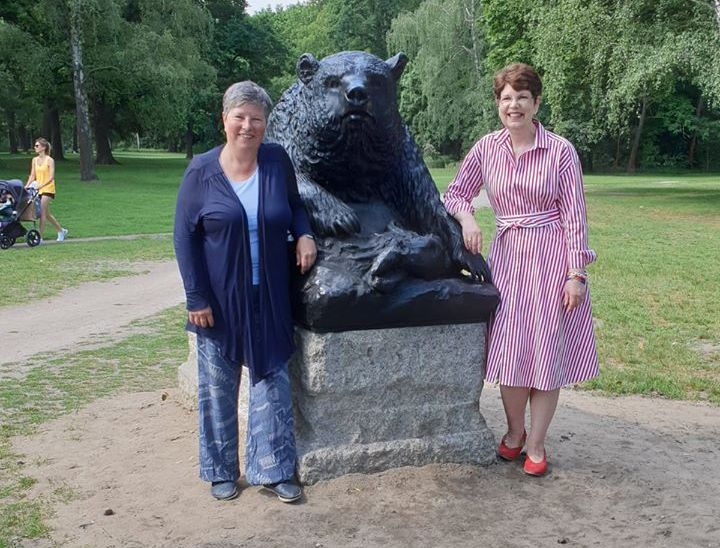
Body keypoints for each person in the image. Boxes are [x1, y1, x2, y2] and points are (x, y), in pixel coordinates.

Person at [444, 63, 598, 477]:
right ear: (498, 104)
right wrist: (469, 219)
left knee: (546, 353)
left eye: (522, 98)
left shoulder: (561, 151)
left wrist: (576, 274)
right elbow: (455, 192)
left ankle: (536, 442)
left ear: (536, 103)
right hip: (509, 258)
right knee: (512, 351)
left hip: (552, 259)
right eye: (506, 98)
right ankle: (514, 434)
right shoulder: (487, 148)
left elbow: (574, 217)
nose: (513, 105)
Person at [174, 81, 317, 502]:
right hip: (217, 302)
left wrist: (305, 234)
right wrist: (196, 297)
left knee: (270, 383)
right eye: (240, 116)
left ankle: (273, 470)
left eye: (256, 118)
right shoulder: (201, 171)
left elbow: (294, 205)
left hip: (269, 294)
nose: (248, 126)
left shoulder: (275, 161)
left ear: (265, 124)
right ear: (225, 119)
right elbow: (184, 237)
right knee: (217, 388)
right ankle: (221, 470)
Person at [25, 137, 68, 243]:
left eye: (37, 146)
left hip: (48, 188)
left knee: (43, 213)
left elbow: (51, 177)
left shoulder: (50, 160)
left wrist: (41, 186)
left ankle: (40, 237)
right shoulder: (34, 160)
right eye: (35, 145)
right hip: (38, 189)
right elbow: (32, 175)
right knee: (46, 213)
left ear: (43, 148)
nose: (35, 147)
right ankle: (61, 230)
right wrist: (26, 187)